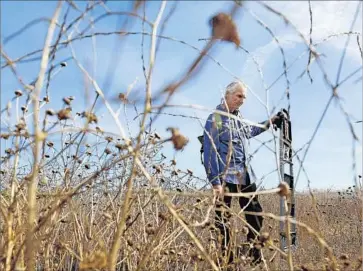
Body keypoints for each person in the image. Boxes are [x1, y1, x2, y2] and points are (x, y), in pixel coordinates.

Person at [202, 81, 281, 265]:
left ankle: (255, 253)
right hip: (224, 177)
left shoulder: (239, 119)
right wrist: (215, 182)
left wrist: (270, 121)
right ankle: (226, 260)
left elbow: (252, 130)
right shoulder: (216, 118)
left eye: (244, 97)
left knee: (255, 214)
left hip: (244, 175)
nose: (242, 100)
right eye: (239, 96)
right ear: (227, 95)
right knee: (223, 219)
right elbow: (209, 150)